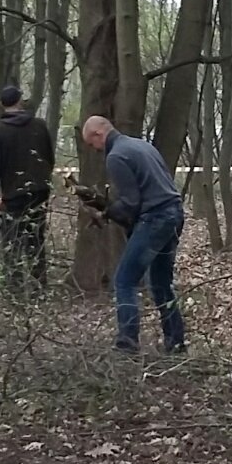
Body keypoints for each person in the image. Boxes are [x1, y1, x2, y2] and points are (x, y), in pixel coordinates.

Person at [79, 116, 187, 355]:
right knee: (161, 283)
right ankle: (176, 342)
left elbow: (130, 203)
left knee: (124, 280)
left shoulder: (116, 156)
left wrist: (106, 212)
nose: (94, 149)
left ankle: (127, 342)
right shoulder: (141, 145)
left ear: (98, 134)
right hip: (174, 214)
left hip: (156, 219)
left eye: (91, 143)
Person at [0, 85, 54, 299]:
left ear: (2, 105)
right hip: (39, 193)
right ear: (20, 101)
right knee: (36, 242)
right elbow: (49, 158)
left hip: (13, 198)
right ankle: (40, 292)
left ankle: (15, 296)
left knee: (12, 245)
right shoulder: (39, 126)